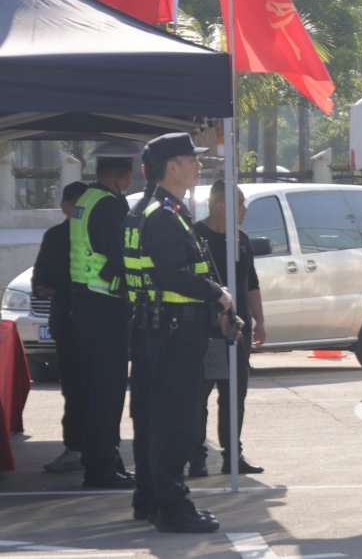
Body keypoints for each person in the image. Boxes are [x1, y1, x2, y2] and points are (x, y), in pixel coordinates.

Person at [125, 132, 235, 533]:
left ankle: (150, 499)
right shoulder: (164, 215)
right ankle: (172, 508)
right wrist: (218, 296)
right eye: (192, 160)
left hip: (154, 329)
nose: (199, 165)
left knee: (151, 419)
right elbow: (173, 274)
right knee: (175, 421)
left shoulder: (145, 209)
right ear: (172, 167)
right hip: (173, 334)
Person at [69, 141, 137, 489]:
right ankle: (102, 468)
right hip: (105, 306)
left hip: (86, 304)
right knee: (108, 391)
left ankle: (102, 461)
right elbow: (119, 255)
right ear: (122, 176)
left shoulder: (86, 199)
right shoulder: (110, 206)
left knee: (95, 388)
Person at [190, 179, 266, 477]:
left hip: (238, 329)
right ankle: (196, 457)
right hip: (206, 330)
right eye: (240, 203)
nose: (245, 209)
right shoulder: (195, 236)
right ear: (221, 206)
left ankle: (233, 456)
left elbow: (251, 283)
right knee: (199, 398)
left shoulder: (241, 239)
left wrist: (260, 320)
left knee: (234, 397)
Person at [32, 181, 90, 472]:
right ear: (65, 206)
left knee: (98, 388)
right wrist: (50, 289)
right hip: (67, 322)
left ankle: (100, 449)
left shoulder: (96, 233)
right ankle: (75, 448)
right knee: (73, 387)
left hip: (95, 323)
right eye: (75, 205)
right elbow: (40, 281)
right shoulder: (55, 236)